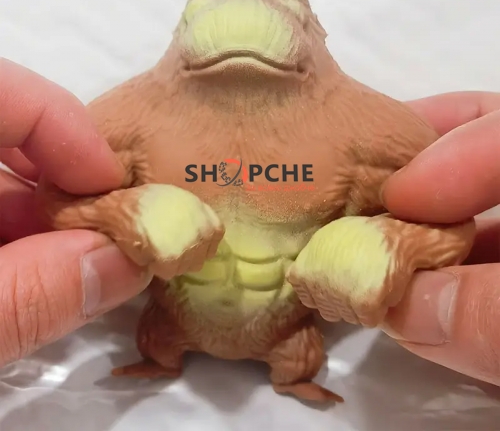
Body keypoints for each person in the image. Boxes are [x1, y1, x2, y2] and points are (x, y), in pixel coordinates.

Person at [0, 59, 498, 387]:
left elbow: (445, 210)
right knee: (159, 341)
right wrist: (126, 212)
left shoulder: (368, 127)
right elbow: (62, 192)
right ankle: (158, 363)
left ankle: (292, 380)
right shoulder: (130, 117)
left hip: (290, 333)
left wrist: (389, 244)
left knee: (297, 361)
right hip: (167, 323)